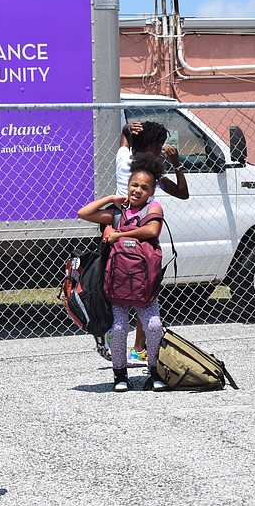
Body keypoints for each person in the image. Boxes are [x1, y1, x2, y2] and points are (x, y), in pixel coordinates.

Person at [95, 120, 189, 365]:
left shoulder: (123, 159)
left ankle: (112, 332)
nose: (162, 149)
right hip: (140, 237)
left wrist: (127, 128)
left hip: (115, 231)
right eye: (160, 145)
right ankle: (137, 348)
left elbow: (124, 139)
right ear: (152, 147)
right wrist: (177, 163)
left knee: (113, 287)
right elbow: (182, 192)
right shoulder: (153, 175)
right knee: (143, 291)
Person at [78, 153, 168, 392]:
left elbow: (151, 230)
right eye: (134, 185)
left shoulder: (153, 208)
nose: (138, 190)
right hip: (117, 284)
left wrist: (119, 236)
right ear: (128, 186)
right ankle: (120, 374)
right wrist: (110, 198)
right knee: (118, 329)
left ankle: (154, 371)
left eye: (144, 187)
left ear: (151, 192)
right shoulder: (119, 213)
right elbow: (83, 213)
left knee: (153, 326)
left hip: (143, 283)